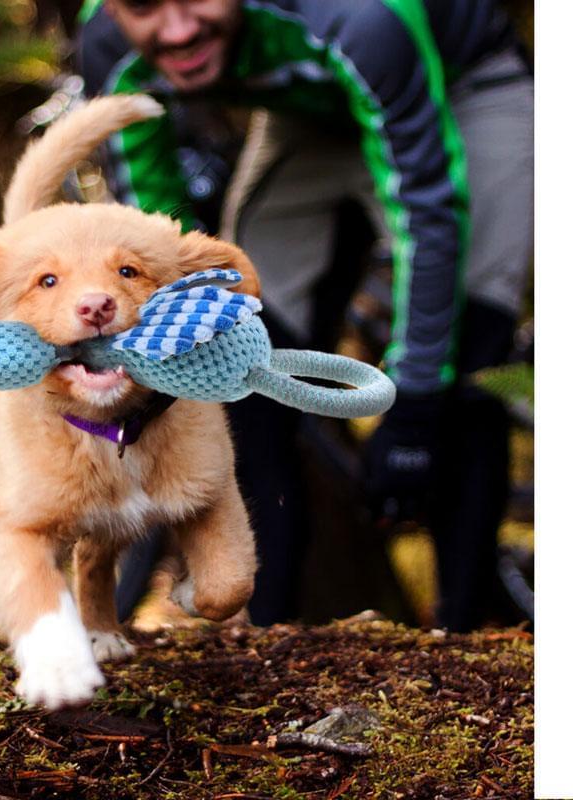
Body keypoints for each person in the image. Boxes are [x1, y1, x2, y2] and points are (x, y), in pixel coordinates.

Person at [75, 0, 533, 630]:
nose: (176, 30)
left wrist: (418, 405)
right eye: (147, 6)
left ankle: (468, 635)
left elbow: (429, 210)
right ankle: (265, 632)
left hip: (463, 89)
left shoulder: (362, 17)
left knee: (466, 355)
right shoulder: (107, 40)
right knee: (240, 355)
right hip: (312, 114)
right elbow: (158, 233)